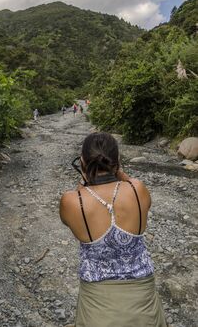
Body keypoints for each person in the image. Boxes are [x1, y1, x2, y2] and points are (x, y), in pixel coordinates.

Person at [59, 132, 167, 327]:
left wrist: (85, 177)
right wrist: (119, 171)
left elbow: (67, 220)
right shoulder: (137, 189)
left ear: (82, 161)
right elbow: (138, 193)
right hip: (143, 299)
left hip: (97, 305)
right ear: (116, 161)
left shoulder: (72, 201)